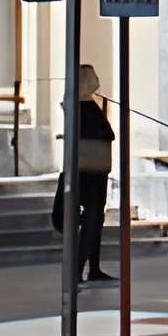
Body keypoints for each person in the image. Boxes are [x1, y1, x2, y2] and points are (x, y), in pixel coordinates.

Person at [48, 63, 115, 283]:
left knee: (96, 221)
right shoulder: (80, 107)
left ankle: (93, 267)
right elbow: (105, 133)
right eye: (92, 76)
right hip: (89, 173)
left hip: (96, 170)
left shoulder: (85, 105)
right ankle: (79, 269)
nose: (97, 80)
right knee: (91, 221)